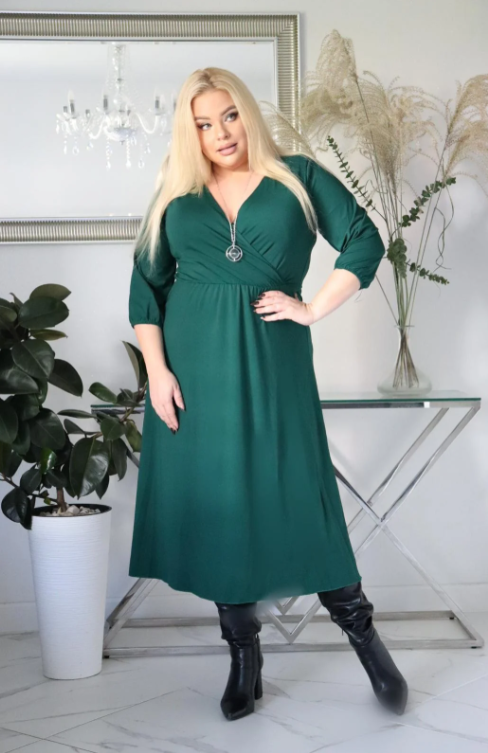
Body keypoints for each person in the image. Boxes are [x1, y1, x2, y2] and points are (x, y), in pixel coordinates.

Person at [128, 66, 408, 722]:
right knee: (222, 507)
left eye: (228, 115)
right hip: (193, 372)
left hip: (274, 363)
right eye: (203, 124)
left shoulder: (298, 178)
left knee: (301, 497)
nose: (220, 133)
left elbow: (364, 240)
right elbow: (146, 288)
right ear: (191, 133)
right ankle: (243, 658)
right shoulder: (176, 192)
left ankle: (366, 641)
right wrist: (158, 373)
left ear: (247, 112)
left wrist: (312, 308)